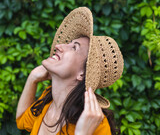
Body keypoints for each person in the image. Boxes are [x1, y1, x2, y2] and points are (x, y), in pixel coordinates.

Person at [16, 7, 124, 135]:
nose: (58, 46)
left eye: (74, 48)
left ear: (82, 74)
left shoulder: (98, 125)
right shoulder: (47, 100)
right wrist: (32, 78)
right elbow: (22, 120)